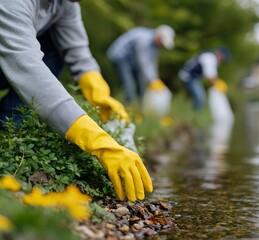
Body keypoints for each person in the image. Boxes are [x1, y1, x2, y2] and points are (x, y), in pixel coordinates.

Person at [0, 0, 152, 202]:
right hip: (14, 60)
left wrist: (99, 93)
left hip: (13, 58)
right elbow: (28, 69)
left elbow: (77, 50)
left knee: (55, 41)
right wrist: (100, 144)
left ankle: (9, 133)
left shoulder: (65, 3)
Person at [107, 25, 175, 105]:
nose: (162, 46)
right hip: (120, 57)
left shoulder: (155, 46)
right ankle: (127, 106)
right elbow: (142, 61)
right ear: (159, 36)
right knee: (129, 84)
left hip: (131, 60)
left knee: (141, 85)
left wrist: (156, 79)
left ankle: (137, 106)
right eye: (162, 43)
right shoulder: (144, 39)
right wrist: (152, 79)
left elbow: (152, 63)